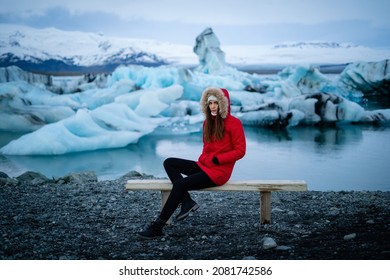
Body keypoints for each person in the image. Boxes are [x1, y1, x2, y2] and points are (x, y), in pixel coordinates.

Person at [138, 87, 246, 239]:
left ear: (224, 103)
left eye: (216, 103)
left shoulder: (234, 123)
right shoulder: (207, 123)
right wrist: (204, 158)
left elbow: (240, 151)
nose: (213, 106)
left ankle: (158, 226)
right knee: (169, 163)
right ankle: (186, 201)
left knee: (179, 185)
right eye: (210, 103)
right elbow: (207, 148)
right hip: (205, 166)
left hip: (219, 173)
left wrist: (218, 159)